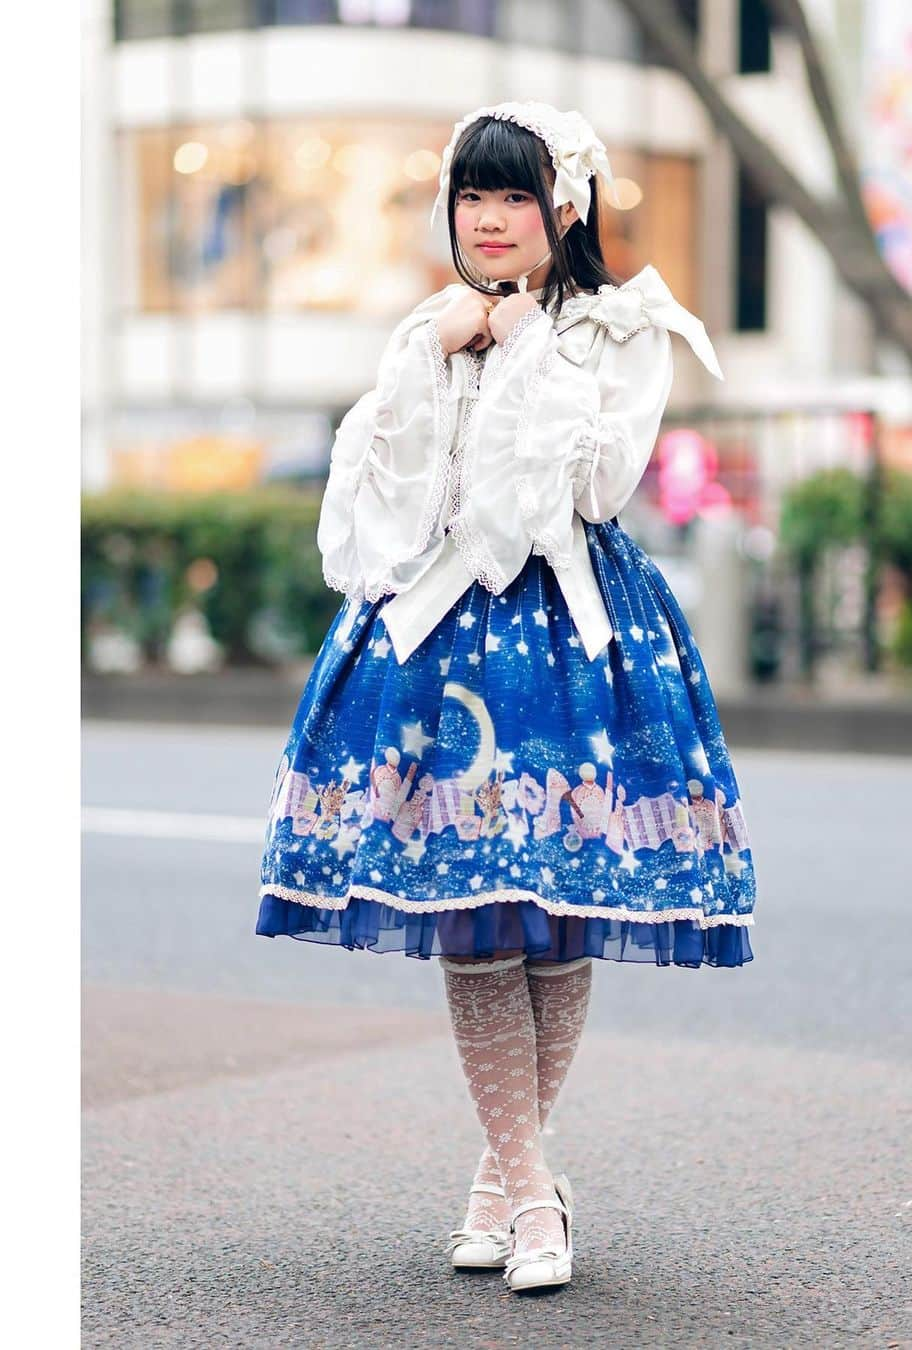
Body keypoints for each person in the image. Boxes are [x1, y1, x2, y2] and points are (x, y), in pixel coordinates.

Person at [256, 101, 758, 1295]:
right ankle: (534, 1193)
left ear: (565, 208)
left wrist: (527, 346)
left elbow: (592, 490)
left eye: (514, 197)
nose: (487, 220)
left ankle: (506, 1183)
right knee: (474, 908)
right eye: (471, 198)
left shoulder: (620, 330)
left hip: (573, 634)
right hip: (438, 647)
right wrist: (433, 355)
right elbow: (394, 513)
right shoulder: (433, 326)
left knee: (556, 907)